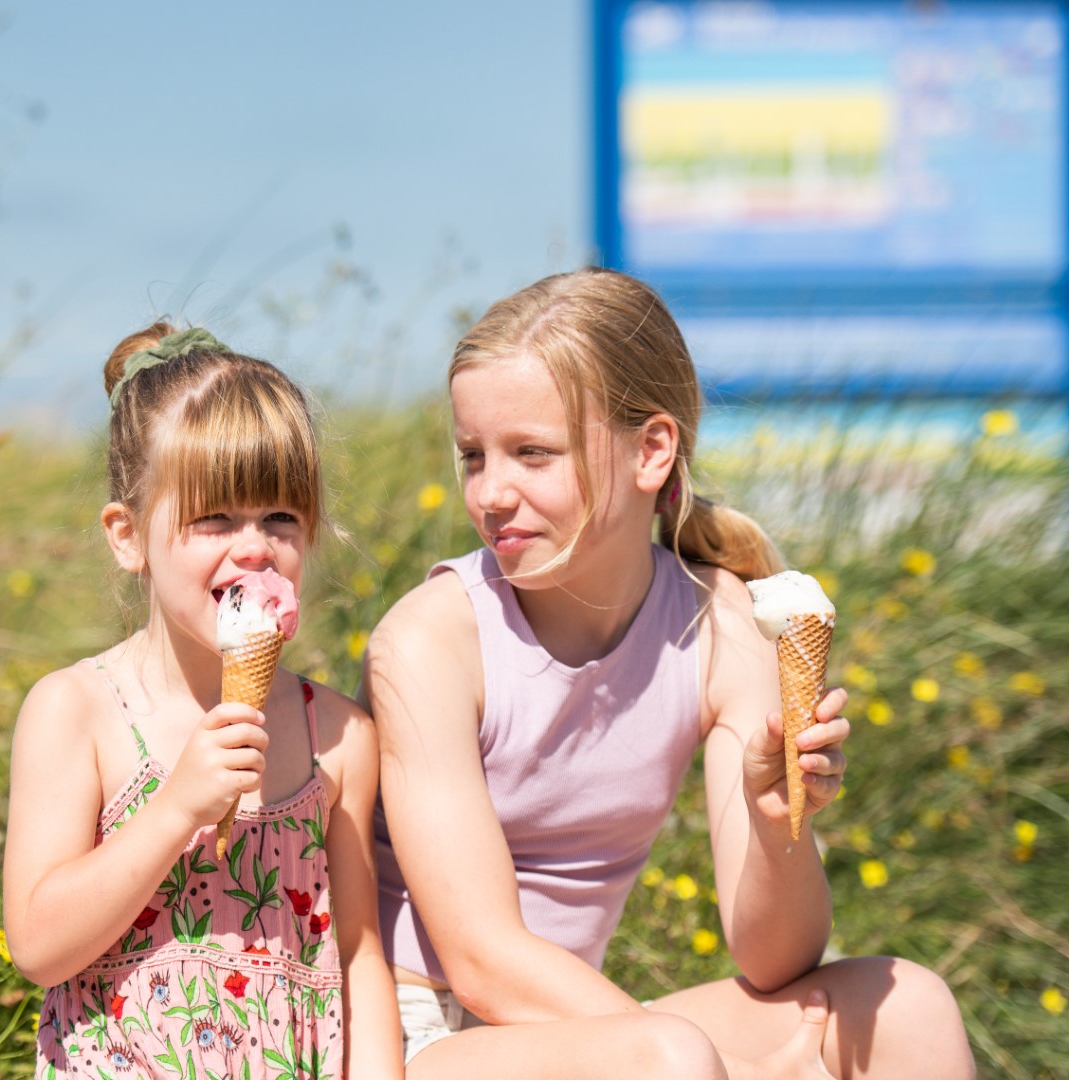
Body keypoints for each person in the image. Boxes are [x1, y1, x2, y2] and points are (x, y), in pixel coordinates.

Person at [364, 268, 975, 1079]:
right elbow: (481, 960)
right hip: (417, 1037)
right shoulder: (429, 639)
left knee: (908, 1003)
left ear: (651, 450)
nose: (490, 492)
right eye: (474, 456)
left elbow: (774, 958)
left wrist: (773, 820)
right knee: (670, 1062)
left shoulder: (722, 622)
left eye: (531, 454)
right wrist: (710, 1064)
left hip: (582, 1028)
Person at [5, 324, 402, 1079]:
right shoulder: (77, 712)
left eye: (280, 518)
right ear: (128, 538)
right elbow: (36, 944)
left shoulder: (339, 737)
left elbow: (357, 952)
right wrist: (175, 809)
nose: (253, 547)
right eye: (213, 519)